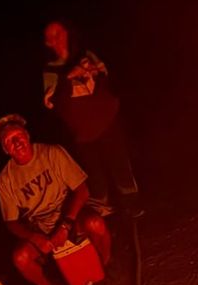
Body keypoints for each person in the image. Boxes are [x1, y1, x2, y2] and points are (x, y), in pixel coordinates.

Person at [0, 114, 112, 285]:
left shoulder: (51, 153)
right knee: (20, 258)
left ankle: (104, 264)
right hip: (40, 227)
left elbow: (82, 190)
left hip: (69, 214)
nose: (17, 142)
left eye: (18, 135)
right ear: (6, 150)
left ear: (27, 135)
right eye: (10, 141)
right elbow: (11, 222)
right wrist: (35, 238)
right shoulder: (6, 179)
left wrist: (65, 226)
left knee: (95, 223)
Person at [43, 20, 140, 212]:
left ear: (68, 33)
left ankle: (132, 206)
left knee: (119, 163)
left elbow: (111, 79)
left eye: (60, 32)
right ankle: (103, 213)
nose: (58, 38)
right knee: (94, 173)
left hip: (108, 120)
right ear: (48, 44)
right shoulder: (51, 70)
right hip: (82, 133)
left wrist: (94, 72)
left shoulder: (86, 55)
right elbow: (53, 102)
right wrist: (68, 76)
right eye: (52, 36)